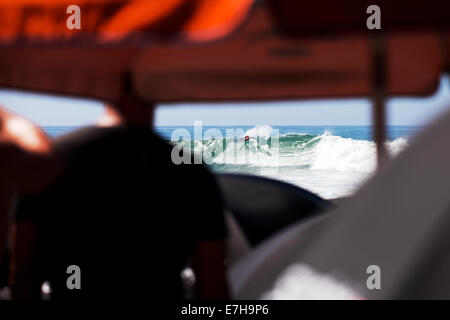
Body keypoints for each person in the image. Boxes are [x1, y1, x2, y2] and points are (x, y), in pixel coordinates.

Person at [10, 75, 229, 300]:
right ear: (157, 90)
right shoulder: (190, 170)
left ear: (107, 88)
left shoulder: (48, 162)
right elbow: (211, 284)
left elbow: (25, 273)